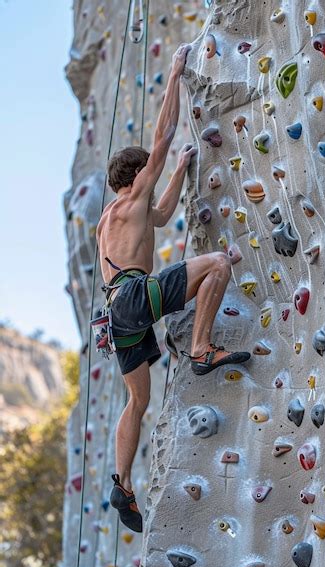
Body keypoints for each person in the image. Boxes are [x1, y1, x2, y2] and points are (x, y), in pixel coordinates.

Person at [96, 44, 251, 533]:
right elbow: (162, 135)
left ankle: (122, 483)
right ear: (136, 175)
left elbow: (161, 215)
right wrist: (176, 74)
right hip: (136, 296)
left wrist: (183, 168)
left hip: (117, 311)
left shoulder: (114, 220)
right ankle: (202, 348)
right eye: (150, 171)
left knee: (136, 401)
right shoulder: (128, 200)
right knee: (219, 265)